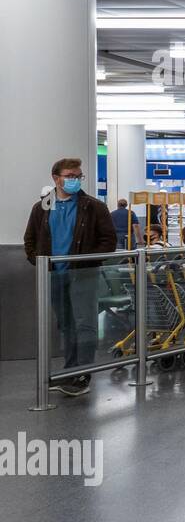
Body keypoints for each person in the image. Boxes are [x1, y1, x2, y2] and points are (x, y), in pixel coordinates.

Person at [22, 157, 116, 396]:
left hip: (83, 274)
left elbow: (108, 241)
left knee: (85, 323)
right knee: (66, 325)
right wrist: (39, 261)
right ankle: (69, 371)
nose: (75, 180)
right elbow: (30, 239)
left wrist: (84, 260)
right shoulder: (43, 207)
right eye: (70, 176)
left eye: (78, 176)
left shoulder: (93, 207)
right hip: (54, 276)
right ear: (56, 178)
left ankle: (83, 373)